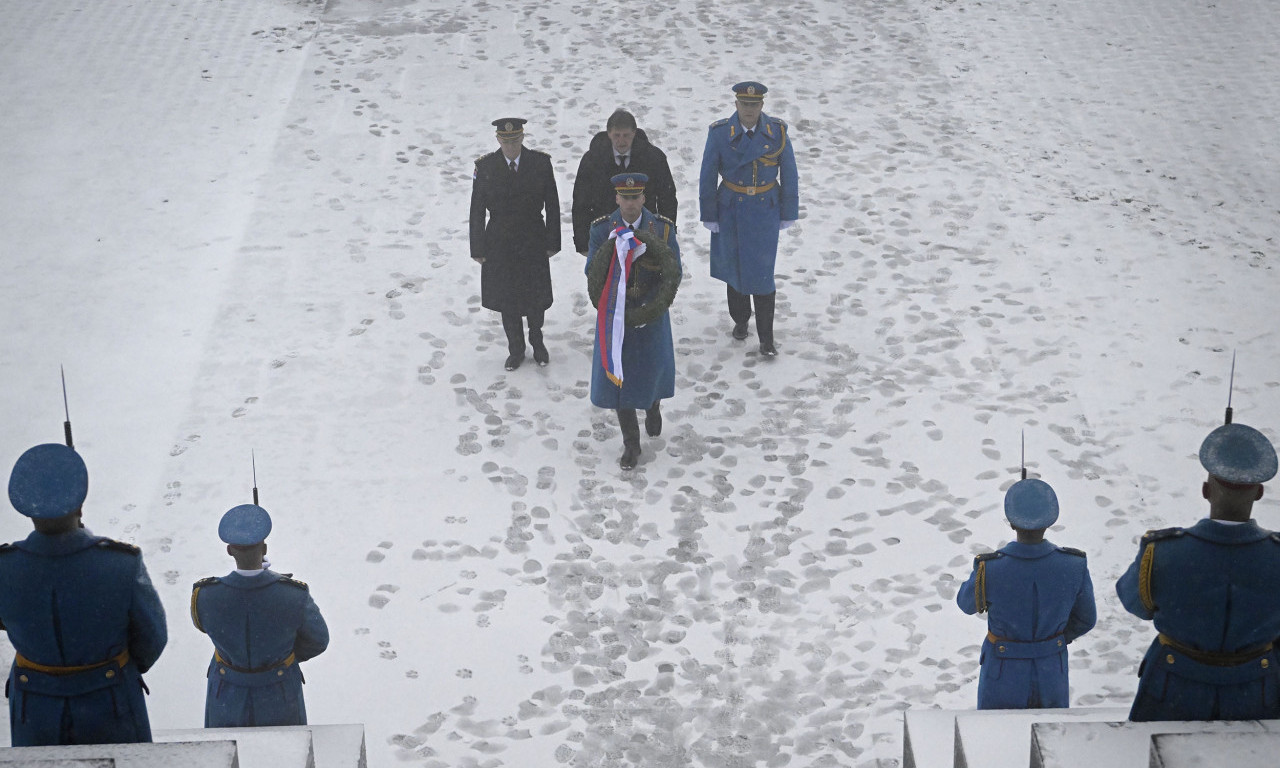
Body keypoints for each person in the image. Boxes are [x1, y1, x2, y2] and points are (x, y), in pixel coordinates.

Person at [0, 443, 167, 746]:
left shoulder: (5, 567)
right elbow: (152, 638)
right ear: (79, 505)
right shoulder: (121, 563)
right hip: (112, 705)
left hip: (35, 713)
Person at [1116, 421, 1280, 721]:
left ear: (1206, 490)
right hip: (1257, 694)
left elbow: (1135, 603)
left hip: (1172, 691)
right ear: (1258, 493)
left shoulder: (1162, 551)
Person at [956, 476, 1096, 709]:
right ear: (1049, 521)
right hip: (1052, 671)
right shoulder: (1073, 565)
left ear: (1012, 523)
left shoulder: (991, 568)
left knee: (1000, 739)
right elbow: (1086, 619)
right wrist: (1051, 642)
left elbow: (965, 603)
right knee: (1047, 739)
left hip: (1003, 673)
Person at [191, 503, 329, 727]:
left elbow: (204, 625)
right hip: (280, 696)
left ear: (229, 550)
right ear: (264, 549)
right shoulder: (293, 595)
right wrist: (281, 656)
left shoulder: (205, 596)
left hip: (226, 697)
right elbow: (319, 640)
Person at [586, 172, 681, 470]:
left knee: (652, 371)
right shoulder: (603, 230)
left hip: (651, 315)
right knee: (619, 379)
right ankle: (631, 443)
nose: (630, 204)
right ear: (617, 198)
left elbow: (673, 269)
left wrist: (653, 306)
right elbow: (593, 270)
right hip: (616, 317)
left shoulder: (662, 229)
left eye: (635, 197)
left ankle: (653, 406)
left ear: (644, 198)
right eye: (624, 198)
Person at [698, 81, 798, 357]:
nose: (749, 110)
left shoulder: (776, 132)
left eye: (754, 105)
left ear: (762, 106)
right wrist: (709, 213)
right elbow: (707, 173)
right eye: (745, 104)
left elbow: (789, 171)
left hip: (765, 209)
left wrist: (788, 211)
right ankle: (740, 319)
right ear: (736, 105)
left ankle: (767, 338)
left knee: (763, 275)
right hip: (731, 209)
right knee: (735, 270)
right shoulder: (720, 134)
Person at [469, 117, 562, 371]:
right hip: (500, 241)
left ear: (522, 138)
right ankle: (516, 348)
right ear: (498, 140)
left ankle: (537, 340)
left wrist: (553, 241)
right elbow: (477, 209)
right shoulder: (486, 166)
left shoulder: (540, 164)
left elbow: (553, 205)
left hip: (533, 237)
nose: (511, 146)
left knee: (535, 295)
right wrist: (477, 247)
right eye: (506, 141)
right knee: (506, 297)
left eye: (515, 140)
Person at [571, 109, 677, 255]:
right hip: (605, 235)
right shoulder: (592, 160)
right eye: (616, 135)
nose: (621, 141)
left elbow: (668, 198)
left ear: (634, 133)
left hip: (646, 234)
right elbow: (580, 202)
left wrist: (667, 236)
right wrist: (583, 242)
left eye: (626, 135)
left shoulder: (654, 158)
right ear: (608, 134)